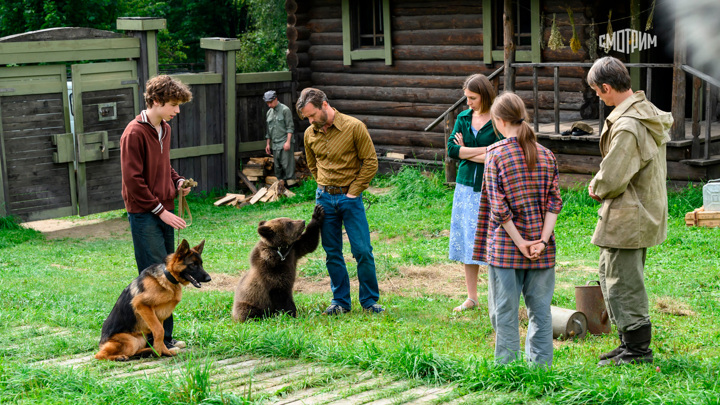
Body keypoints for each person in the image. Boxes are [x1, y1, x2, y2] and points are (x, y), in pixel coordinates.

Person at [586, 56, 672, 366]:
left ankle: (638, 350)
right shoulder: (644, 111)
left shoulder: (627, 125)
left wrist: (597, 186)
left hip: (629, 211)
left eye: (597, 91)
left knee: (622, 280)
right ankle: (627, 343)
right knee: (614, 274)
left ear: (607, 87)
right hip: (640, 208)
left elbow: (613, 175)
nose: (598, 96)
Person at [473, 92, 563, 366]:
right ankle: (541, 369)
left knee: (504, 311)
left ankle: (506, 368)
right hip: (542, 250)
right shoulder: (547, 155)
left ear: (499, 121)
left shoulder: (496, 155)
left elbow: (499, 209)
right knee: (541, 312)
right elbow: (554, 203)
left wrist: (521, 242)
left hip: (506, 249)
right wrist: (542, 241)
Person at [120, 75, 193, 351]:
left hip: (164, 209)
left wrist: (177, 182)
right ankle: (153, 341)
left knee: (170, 275)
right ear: (156, 101)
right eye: (173, 104)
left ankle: (166, 339)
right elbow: (133, 181)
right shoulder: (133, 133)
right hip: (145, 214)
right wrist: (161, 211)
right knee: (154, 278)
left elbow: (164, 165)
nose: (177, 110)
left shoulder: (165, 129)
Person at [296, 87, 383, 315]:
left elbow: (370, 162)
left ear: (324, 105)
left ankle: (369, 301)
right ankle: (340, 301)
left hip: (350, 199)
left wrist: (353, 192)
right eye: (307, 117)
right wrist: (323, 187)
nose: (311, 120)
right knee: (332, 251)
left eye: (312, 115)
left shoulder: (354, 127)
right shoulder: (309, 134)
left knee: (362, 250)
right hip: (324, 199)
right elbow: (312, 164)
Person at [446, 73, 502, 312]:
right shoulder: (463, 116)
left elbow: (500, 152)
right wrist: (483, 151)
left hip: (491, 187)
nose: (468, 102)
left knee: (494, 240)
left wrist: (466, 150)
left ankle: (498, 296)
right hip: (466, 186)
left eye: (473, 98)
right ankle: (472, 297)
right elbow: (451, 150)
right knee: (469, 240)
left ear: (485, 95)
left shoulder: (499, 118)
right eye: (466, 97)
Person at [264, 90, 295, 189]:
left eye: (270, 102)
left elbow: (290, 127)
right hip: (275, 144)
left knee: (287, 166)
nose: (269, 105)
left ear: (276, 99)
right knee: (277, 167)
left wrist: (288, 142)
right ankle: (281, 188)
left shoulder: (285, 110)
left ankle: (292, 188)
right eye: (267, 103)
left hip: (284, 142)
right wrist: (268, 144)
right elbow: (268, 131)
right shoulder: (269, 113)